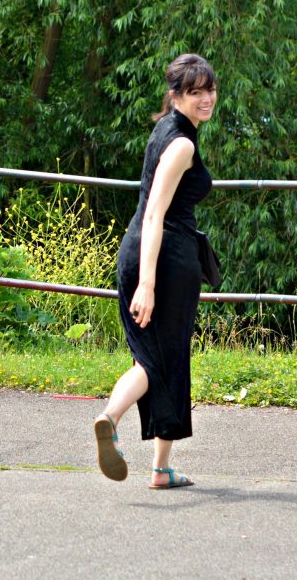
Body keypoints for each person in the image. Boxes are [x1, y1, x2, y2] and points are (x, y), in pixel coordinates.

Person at [94, 53, 217, 489]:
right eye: (195, 92)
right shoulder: (181, 144)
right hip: (163, 260)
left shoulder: (164, 130)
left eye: (209, 89)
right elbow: (155, 216)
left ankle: (161, 469)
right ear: (177, 95)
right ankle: (110, 418)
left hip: (143, 254)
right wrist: (147, 283)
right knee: (160, 359)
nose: (206, 99)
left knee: (158, 356)